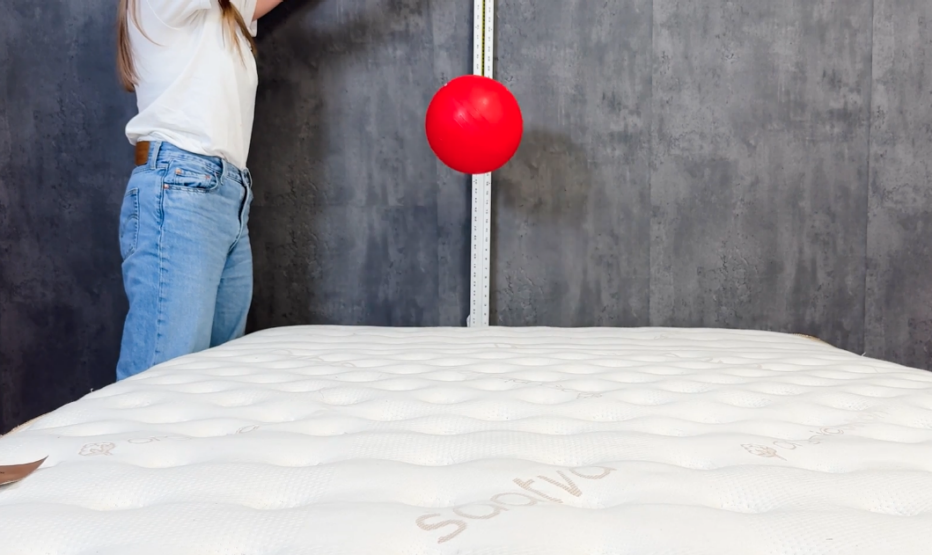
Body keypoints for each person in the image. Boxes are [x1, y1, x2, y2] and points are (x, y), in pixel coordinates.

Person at [115, 0, 284, 380]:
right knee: (158, 386)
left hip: (226, 197)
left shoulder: (219, 12)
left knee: (210, 388)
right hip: (181, 189)